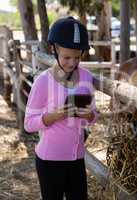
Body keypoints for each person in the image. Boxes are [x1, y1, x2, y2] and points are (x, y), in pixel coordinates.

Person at [24, 16, 99, 200]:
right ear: (54, 49)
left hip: (77, 158)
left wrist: (90, 115)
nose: (72, 63)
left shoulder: (87, 77)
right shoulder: (42, 82)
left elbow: (95, 115)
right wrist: (53, 116)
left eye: (77, 57)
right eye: (66, 57)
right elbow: (28, 124)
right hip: (50, 161)